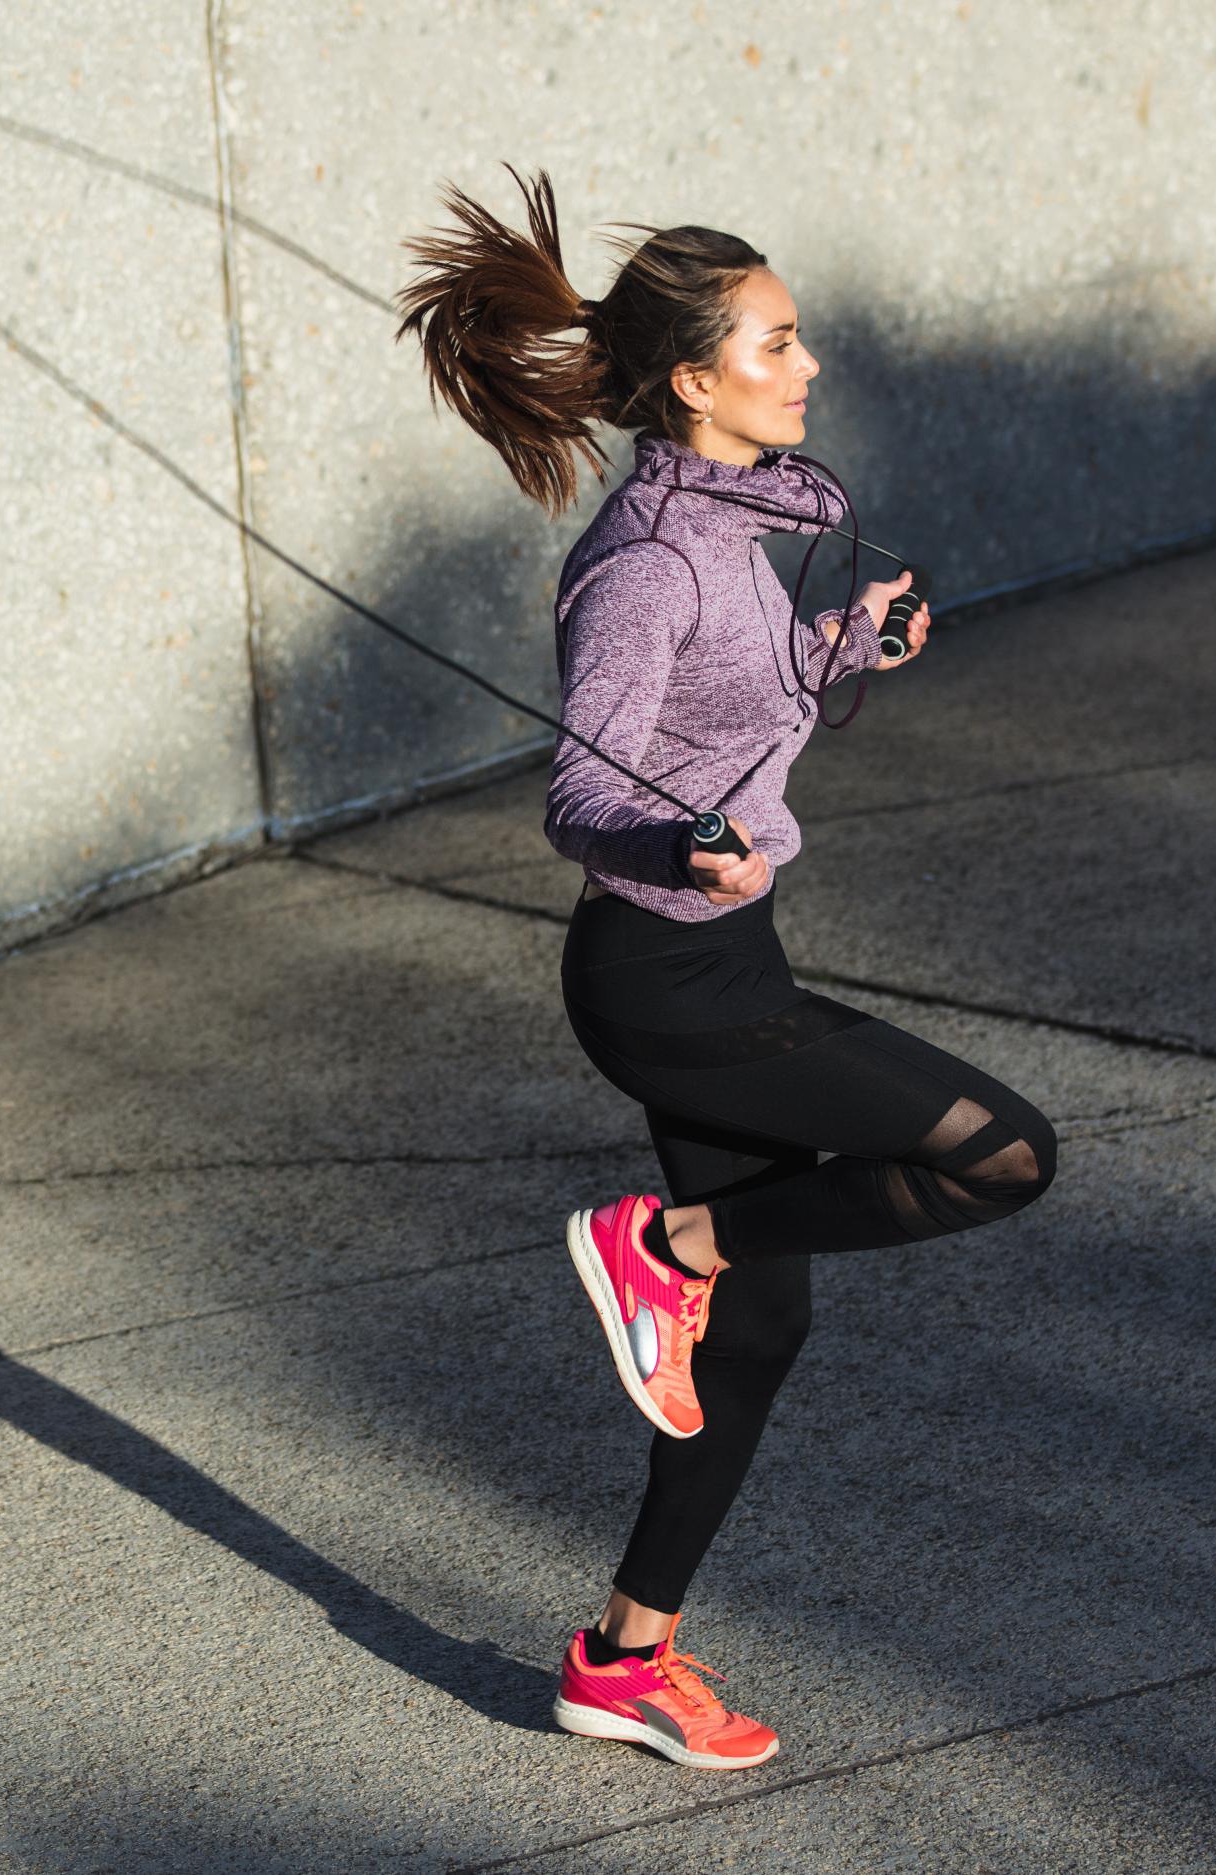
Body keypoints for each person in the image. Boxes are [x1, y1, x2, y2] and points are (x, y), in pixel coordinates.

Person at [397, 171, 1057, 1770]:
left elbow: (747, 698)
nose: (809, 362)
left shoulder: (769, 513)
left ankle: (625, 1659)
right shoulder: (646, 563)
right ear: (696, 380)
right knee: (1003, 1153)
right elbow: (586, 791)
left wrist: (849, 648)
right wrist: (677, 845)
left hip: (723, 952)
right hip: (667, 980)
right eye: (778, 341)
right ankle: (665, 1240)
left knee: (757, 1343)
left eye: (800, 333)